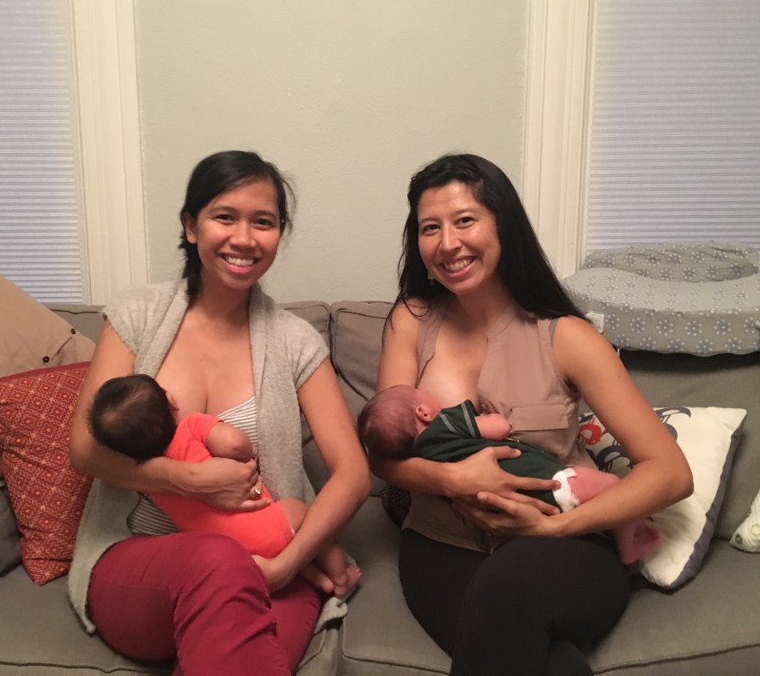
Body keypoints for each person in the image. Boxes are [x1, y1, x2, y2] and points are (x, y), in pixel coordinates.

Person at [372, 153, 693, 676]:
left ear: (505, 225)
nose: (448, 242)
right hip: (442, 546)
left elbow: (670, 472)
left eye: (465, 220)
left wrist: (553, 532)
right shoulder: (411, 321)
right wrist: (452, 477)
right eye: (430, 228)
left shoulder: (566, 336)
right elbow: (384, 456)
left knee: (510, 586)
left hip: (567, 546)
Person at [67, 150, 371, 676]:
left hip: (269, 564)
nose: (245, 238)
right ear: (191, 226)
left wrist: (283, 568)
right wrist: (187, 479)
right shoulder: (136, 316)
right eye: (225, 216)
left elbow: (354, 473)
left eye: (264, 222)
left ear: (280, 235)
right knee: (217, 560)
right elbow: (84, 449)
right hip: (139, 563)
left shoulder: (296, 343)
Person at [87, 372, 361, 597]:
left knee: (283, 542)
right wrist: (246, 452)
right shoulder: (190, 426)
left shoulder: (148, 482)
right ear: (170, 400)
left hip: (228, 555)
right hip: (267, 528)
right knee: (303, 513)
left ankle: (317, 578)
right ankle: (339, 578)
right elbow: (232, 442)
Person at [358, 384, 660, 564]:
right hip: (553, 485)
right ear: (423, 413)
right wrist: (485, 415)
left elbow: (383, 462)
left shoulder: (421, 456)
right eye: (423, 394)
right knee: (612, 485)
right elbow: (499, 428)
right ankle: (628, 540)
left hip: (503, 520)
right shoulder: (446, 423)